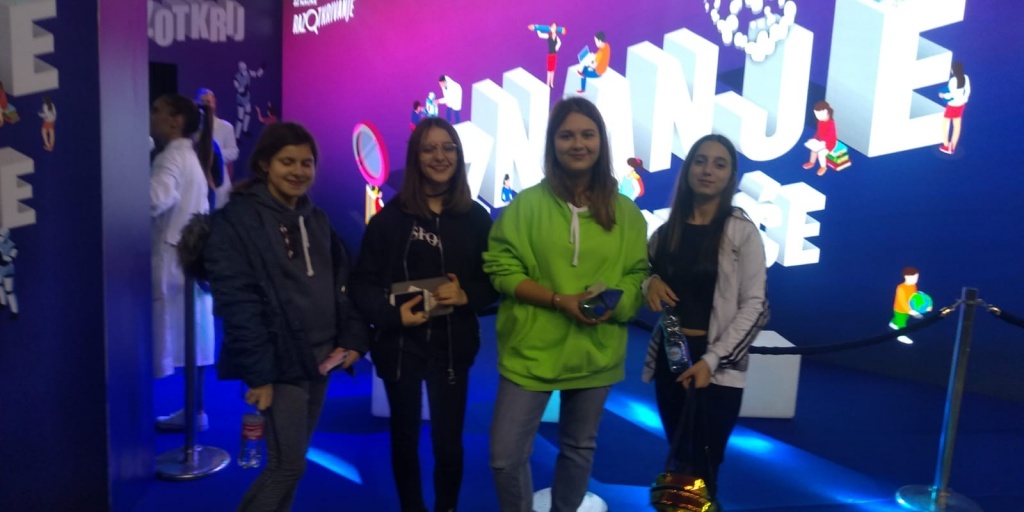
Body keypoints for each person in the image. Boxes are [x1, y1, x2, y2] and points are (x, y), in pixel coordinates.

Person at [483, 97, 648, 512]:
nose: (578, 144)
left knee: (578, 448)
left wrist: (614, 303)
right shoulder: (526, 206)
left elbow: (637, 274)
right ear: (553, 143)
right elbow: (500, 266)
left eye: (587, 134)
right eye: (567, 135)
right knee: (504, 458)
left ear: (601, 142)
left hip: (595, 351)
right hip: (530, 351)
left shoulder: (626, 213)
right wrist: (558, 300)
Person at [202, 122, 369, 510]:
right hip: (280, 360)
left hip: (321, 358)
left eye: (306, 163)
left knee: (292, 462)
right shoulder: (237, 221)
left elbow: (341, 285)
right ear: (264, 164)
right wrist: (259, 375)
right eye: (287, 162)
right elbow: (238, 304)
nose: (298, 171)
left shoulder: (317, 218)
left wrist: (351, 341)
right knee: (287, 466)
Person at [351, 117, 498, 512]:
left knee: (448, 444)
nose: (440, 156)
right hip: (400, 346)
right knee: (404, 439)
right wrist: (391, 315)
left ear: (459, 156)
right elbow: (362, 284)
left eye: (448, 147)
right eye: (429, 148)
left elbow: (494, 283)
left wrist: (467, 294)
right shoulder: (389, 219)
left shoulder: (476, 219)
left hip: (453, 346)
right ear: (415, 156)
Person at [641, 134, 769, 500]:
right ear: (688, 170)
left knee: (705, 466)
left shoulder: (742, 232)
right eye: (700, 161)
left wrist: (711, 361)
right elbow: (640, 275)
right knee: (679, 459)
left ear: (730, 176)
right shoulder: (666, 233)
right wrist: (648, 281)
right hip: (671, 360)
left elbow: (756, 306)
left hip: (717, 367)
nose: (708, 170)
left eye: (719, 163)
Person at [149, 94, 217, 430]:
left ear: (176, 121)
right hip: (190, 261)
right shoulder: (188, 155)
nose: (151, 116)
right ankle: (195, 411)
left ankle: (193, 413)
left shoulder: (173, 156)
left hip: (174, 263)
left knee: (182, 338)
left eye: (157, 111)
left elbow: (156, 198)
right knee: (196, 339)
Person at [196, 88, 239, 208]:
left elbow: (233, 152)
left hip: (219, 181)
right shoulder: (193, 128)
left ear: (214, 103)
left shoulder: (225, 127)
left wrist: (214, 155)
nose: (206, 105)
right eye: (202, 102)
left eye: (208, 102)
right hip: (198, 179)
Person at [939, 61, 970, 155]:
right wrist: (964, 99)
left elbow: (952, 94)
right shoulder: (965, 77)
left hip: (952, 104)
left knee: (944, 124)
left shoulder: (953, 81)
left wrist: (943, 95)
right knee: (957, 125)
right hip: (961, 104)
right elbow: (968, 91)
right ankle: (953, 147)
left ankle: (946, 145)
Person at [802, 100, 837, 176]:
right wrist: (814, 138)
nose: (817, 117)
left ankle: (823, 167)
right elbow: (819, 132)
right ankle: (811, 162)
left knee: (821, 153)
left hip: (830, 144)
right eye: (816, 115)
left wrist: (824, 142)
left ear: (825, 111)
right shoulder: (820, 121)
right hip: (821, 142)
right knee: (813, 150)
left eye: (819, 115)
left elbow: (830, 135)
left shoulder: (831, 123)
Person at [528, 22, 567, 88]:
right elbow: (541, 35)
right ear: (550, 28)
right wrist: (537, 29)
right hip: (550, 55)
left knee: (553, 70)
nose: (553, 28)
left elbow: (559, 43)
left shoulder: (556, 37)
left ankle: (551, 83)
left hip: (554, 55)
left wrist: (556, 48)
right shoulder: (548, 35)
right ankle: (547, 83)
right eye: (552, 27)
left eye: (555, 27)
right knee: (549, 70)